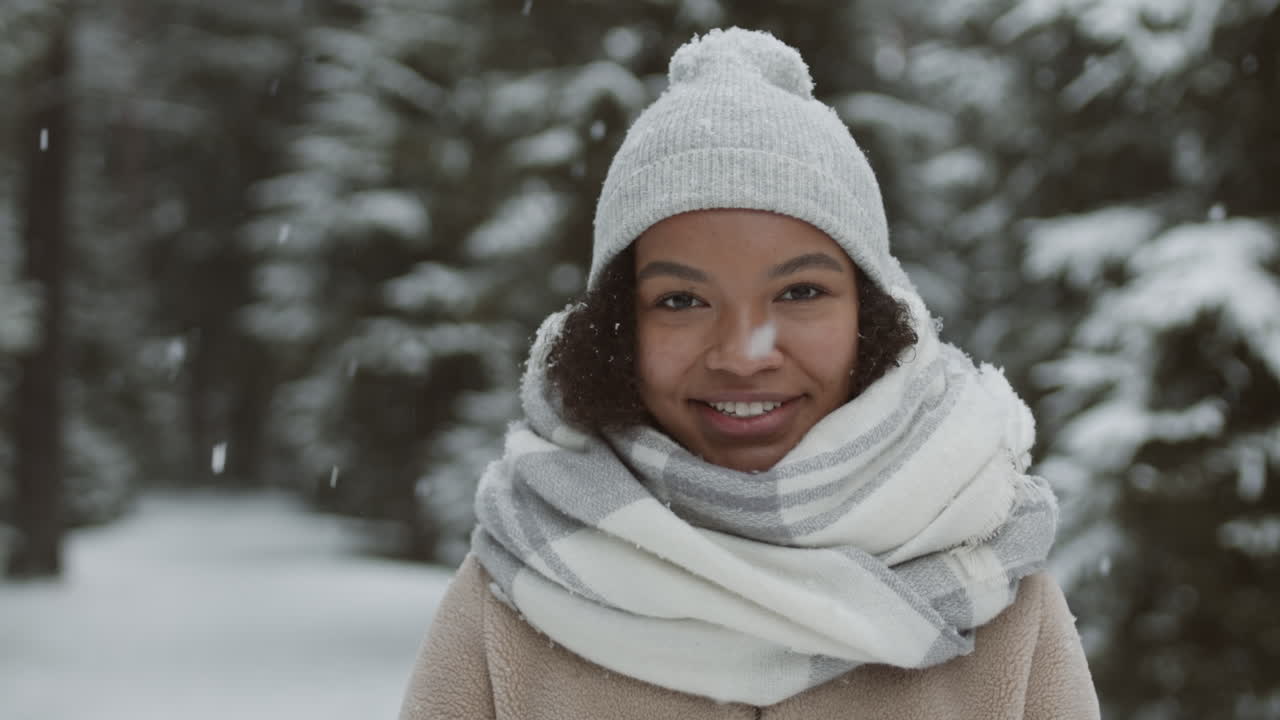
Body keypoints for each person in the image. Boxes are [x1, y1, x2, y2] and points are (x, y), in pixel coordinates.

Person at [399, 27, 1100, 719]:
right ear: (619, 326)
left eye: (800, 293)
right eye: (681, 300)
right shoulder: (516, 589)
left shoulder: (995, 583)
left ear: (872, 314)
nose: (742, 353)